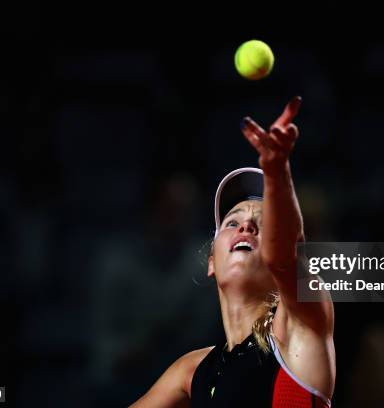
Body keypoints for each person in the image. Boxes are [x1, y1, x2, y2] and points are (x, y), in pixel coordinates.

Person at [130, 97, 335, 407]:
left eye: (262, 225)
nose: (246, 227)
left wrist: (277, 171)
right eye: (232, 222)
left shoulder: (298, 327)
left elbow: (286, 258)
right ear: (212, 261)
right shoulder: (191, 370)